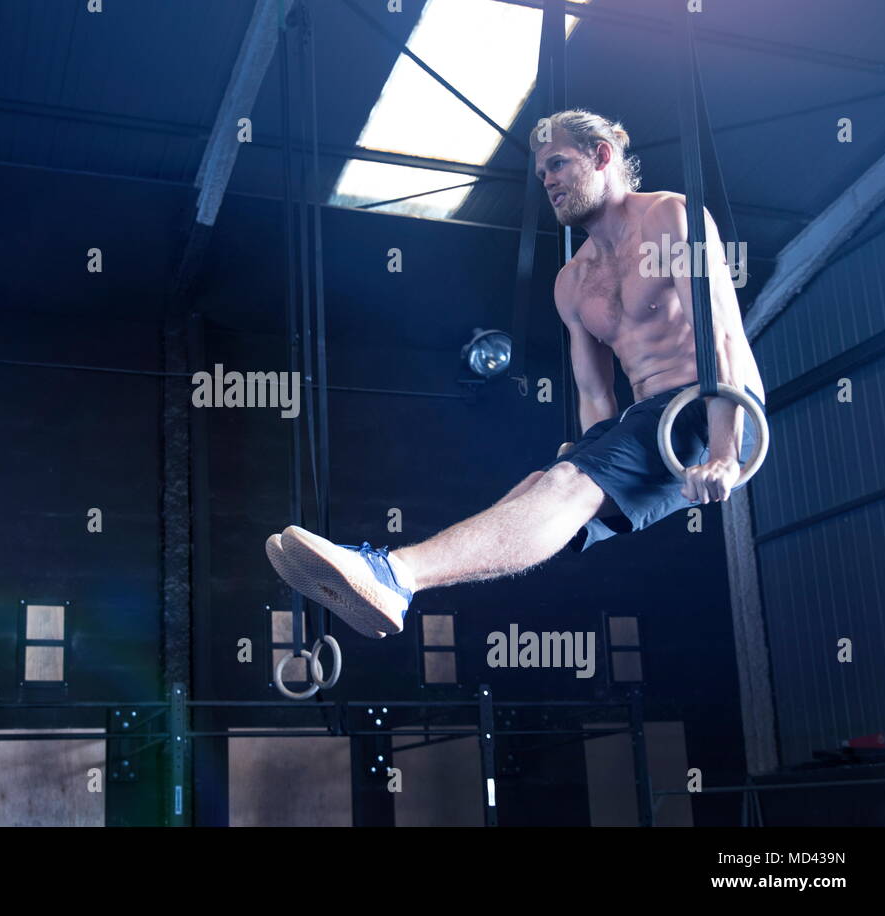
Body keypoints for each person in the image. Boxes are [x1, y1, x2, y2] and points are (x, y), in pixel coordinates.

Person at [266, 109, 767, 640]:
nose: (547, 180)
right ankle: (400, 579)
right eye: (541, 173)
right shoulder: (572, 282)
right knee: (540, 485)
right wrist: (585, 448)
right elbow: (596, 394)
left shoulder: (670, 217)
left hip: (712, 406)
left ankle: (395, 572)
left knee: (567, 483)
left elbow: (723, 337)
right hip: (648, 420)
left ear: (601, 157)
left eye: (557, 163)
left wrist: (723, 453)